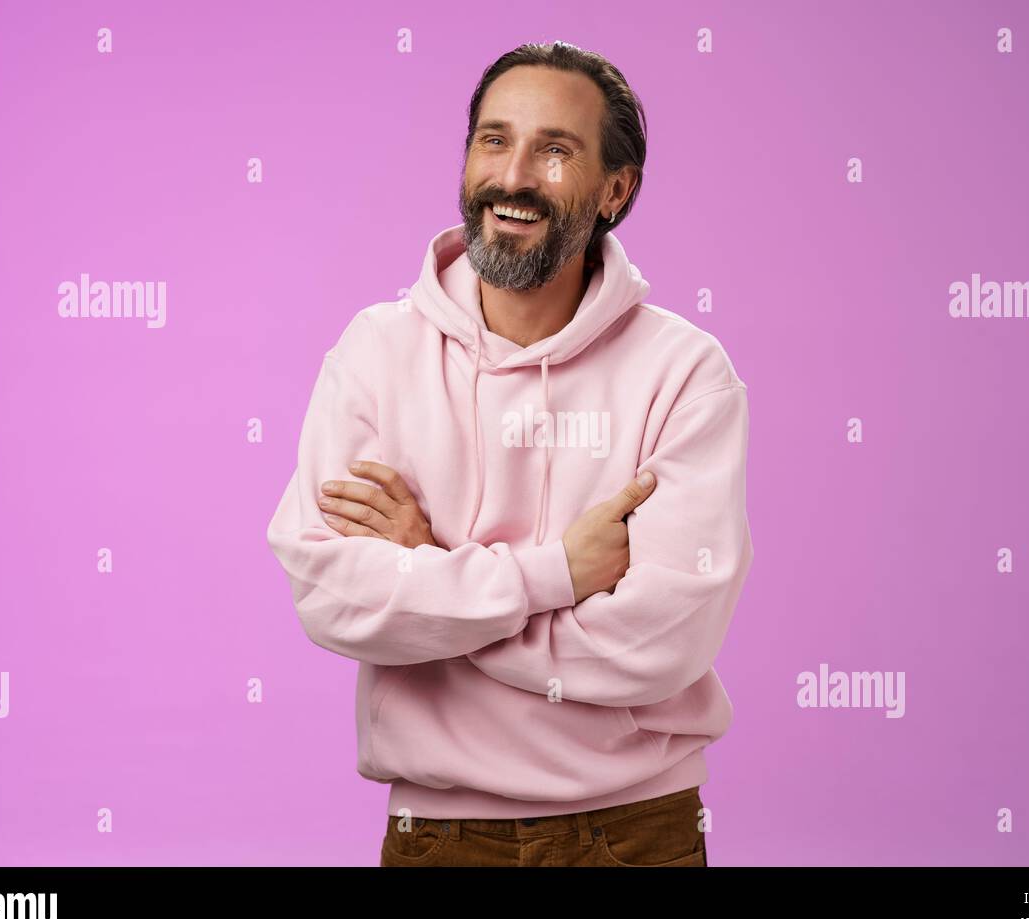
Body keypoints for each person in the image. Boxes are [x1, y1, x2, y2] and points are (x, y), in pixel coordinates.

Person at [266, 40, 753, 866]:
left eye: (554, 150)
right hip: (438, 836)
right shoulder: (376, 352)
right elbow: (329, 596)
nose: (515, 176)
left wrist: (430, 575)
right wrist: (552, 576)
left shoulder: (687, 375)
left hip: (634, 834)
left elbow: (661, 644)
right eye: (494, 140)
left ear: (615, 189)